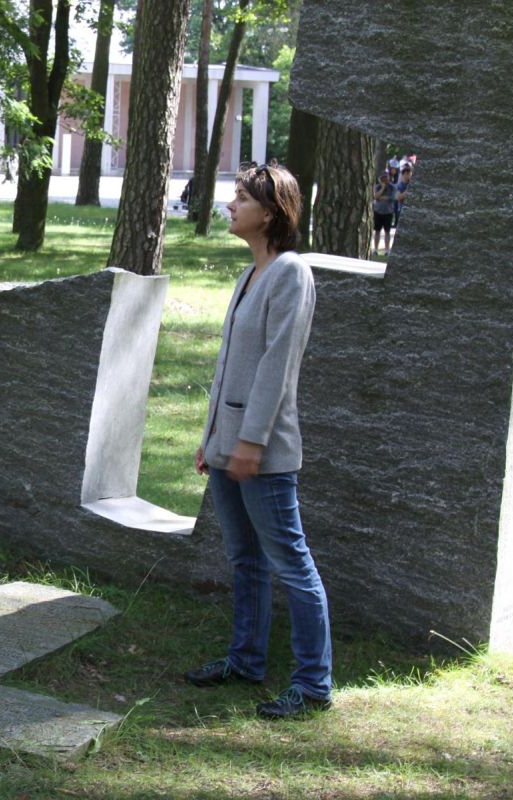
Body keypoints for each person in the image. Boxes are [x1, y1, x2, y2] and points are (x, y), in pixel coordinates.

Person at [184, 164, 333, 719]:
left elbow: (277, 367)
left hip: (262, 452)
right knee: (245, 559)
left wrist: (250, 443)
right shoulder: (250, 274)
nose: (231, 205)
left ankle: (313, 685)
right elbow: (229, 366)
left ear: (270, 213)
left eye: (242, 198)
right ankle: (246, 661)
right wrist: (211, 439)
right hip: (229, 447)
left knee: (291, 563)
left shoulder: (291, 273)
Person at [372, 170, 397, 257]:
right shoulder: (377, 187)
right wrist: (382, 188)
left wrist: (381, 197)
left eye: (386, 177)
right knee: (377, 231)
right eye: (383, 178)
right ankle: (375, 249)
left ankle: (387, 250)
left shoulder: (392, 187)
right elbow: (376, 196)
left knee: (387, 232)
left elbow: (392, 198)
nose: (384, 179)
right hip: (378, 211)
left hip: (388, 212)